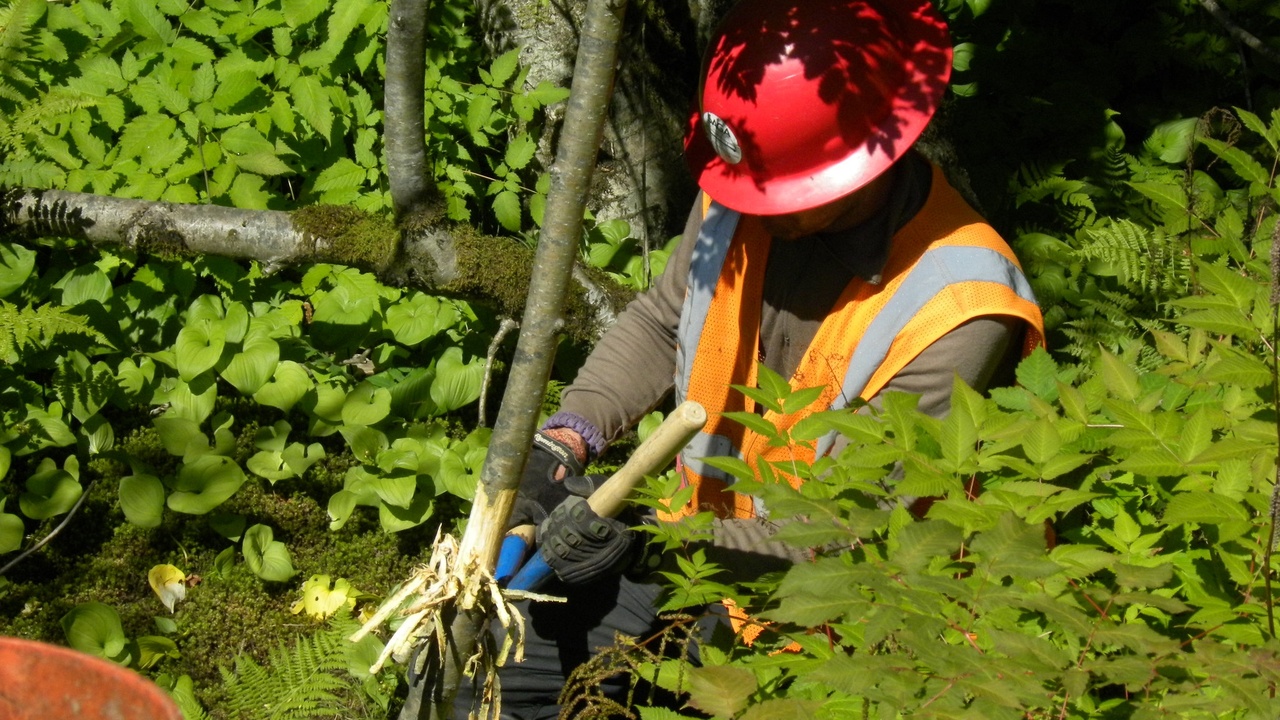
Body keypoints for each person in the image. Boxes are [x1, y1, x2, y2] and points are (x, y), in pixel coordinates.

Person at [402, 0, 1046, 717]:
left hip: (851, 617)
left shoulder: (959, 308)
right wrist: (565, 442)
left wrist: (641, 542)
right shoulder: (751, 187)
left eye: (779, 195)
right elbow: (659, 322)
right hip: (697, 557)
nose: (752, 210)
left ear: (862, 163)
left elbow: (837, 534)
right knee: (482, 665)